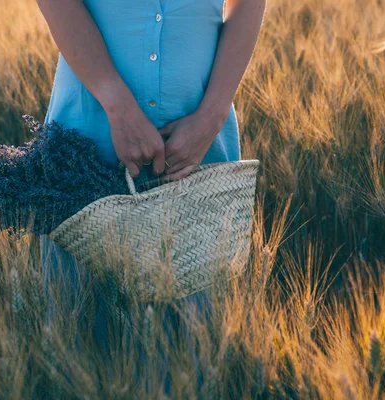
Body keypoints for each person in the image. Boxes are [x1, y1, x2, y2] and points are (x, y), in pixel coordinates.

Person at [36, 0, 266, 390]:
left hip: (199, 154)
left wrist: (211, 115)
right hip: (86, 148)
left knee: (188, 366)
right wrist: (116, 103)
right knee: (81, 357)